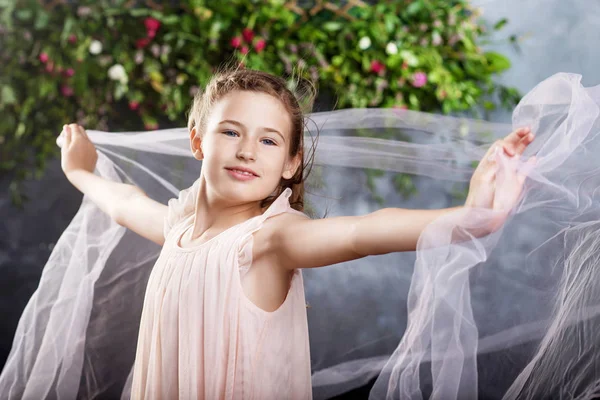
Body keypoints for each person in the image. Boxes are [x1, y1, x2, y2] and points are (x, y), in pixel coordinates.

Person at [56, 69, 535, 399]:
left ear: (290, 164)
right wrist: (81, 173)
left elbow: (362, 232)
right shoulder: (178, 229)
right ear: (197, 139)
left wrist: (477, 215)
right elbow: (123, 204)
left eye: (269, 140)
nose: (247, 150)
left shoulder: (270, 241)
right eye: (230, 132)